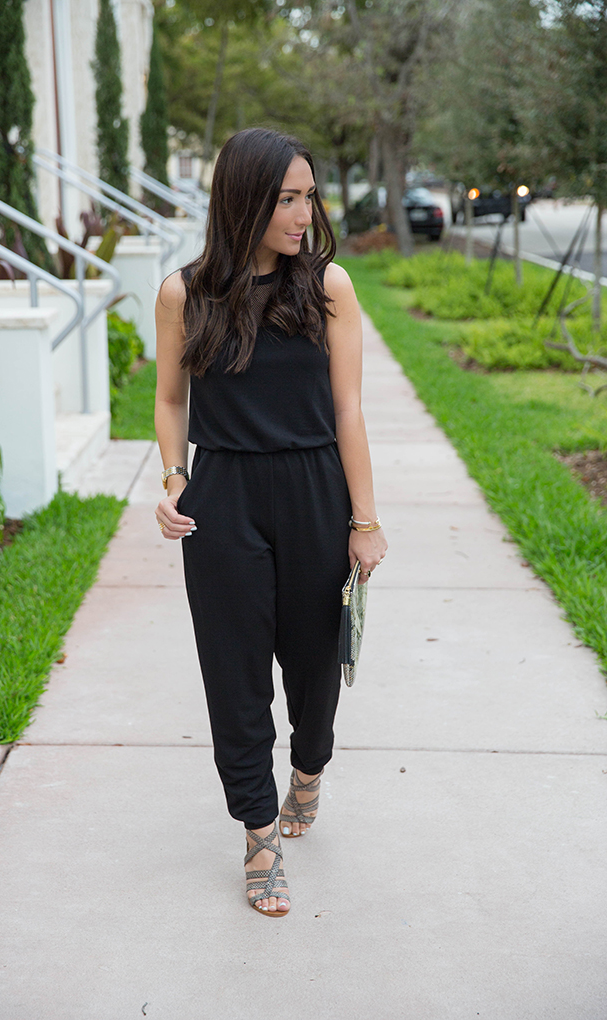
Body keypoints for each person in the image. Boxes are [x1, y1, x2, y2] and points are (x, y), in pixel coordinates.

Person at [154, 127, 387, 917]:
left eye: (308, 197)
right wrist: (174, 479)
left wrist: (365, 520)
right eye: (287, 198)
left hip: (316, 488)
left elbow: (349, 409)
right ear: (245, 199)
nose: (302, 214)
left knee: (316, 670)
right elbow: (171, 400)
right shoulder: (184, 293)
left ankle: (309, 767)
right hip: (223, 497)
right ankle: (258, 834)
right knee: (235, 674)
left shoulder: (328, 287)